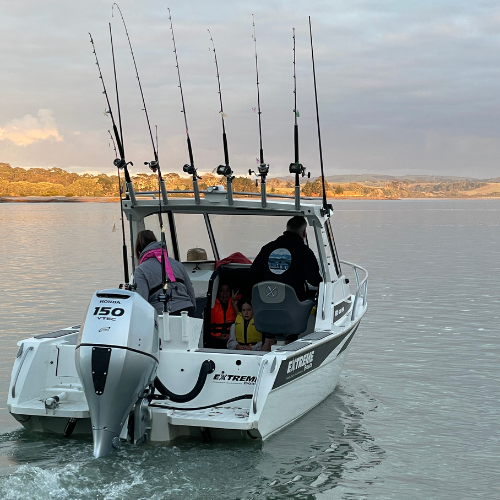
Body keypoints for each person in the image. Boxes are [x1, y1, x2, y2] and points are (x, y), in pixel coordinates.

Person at [250, 215, 322, 301]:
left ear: (287, 229)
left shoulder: (267, 248)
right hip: (294, 305)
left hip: (267, 301)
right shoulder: (305, 252)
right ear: (304, 233)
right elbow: (313, 280)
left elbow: (253, 274)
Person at [133, 230, 196, 316]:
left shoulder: (140, 270)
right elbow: (190, 291)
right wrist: (192, 309)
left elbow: (142, 301)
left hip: (164, 314)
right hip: (187, 309)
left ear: (139, 249)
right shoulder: (177, 264)